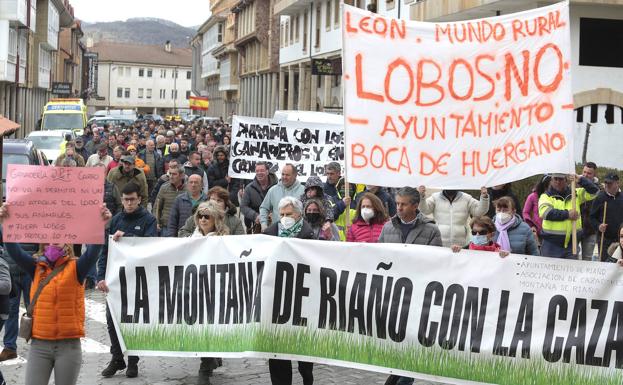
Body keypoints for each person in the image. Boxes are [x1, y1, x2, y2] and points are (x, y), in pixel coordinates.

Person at [0, 203, 111, 385]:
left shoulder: (77, 268)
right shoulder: (35, 267)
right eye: (51, 235)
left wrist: (100, 225)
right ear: (44, 242)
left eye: (60, 235)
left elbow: (93, 251)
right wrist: (6, 223)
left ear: (68, 241)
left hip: (69, 347)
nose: (55, 238)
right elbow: (14, 250)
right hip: (39, 346)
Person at [377, 187, 441, 385]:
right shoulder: (388, 228)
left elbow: (436, 263)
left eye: (403, 204)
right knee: (396, 343)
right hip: (393, 295)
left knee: (411, 343)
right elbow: (378, 256)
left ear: (415, 205)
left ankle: (403, 378)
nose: (399, 208)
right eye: (397, 204)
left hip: (417, 296)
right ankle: (397, 375)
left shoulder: (431, 230)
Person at [97, 183, 157, 378]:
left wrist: (129, 237)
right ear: (121, 200)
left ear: (139, 199)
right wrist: (100, 277)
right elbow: (105, 251)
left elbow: (150, 247)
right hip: (116, 279)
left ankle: (133, 360)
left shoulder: (148, 220)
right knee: (112, 319)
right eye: (125, 199)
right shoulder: (115, 221)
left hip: (138, 279)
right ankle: (117, 357)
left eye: (132, 199)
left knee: (133, 319)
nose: (129, 203)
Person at [263, 196, 314, 385]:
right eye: (282, 214)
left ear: (299, 214)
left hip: (303, 298)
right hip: (276, 300)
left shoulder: (310, 235)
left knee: (304, 354)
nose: (285, 217)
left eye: (289, 214)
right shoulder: (268, 234)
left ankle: (307, 377)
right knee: (277, 351)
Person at [178, 201, 226, 385]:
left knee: (212, 328)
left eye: (207, 216)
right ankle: (209, 361)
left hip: (217, 290)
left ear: (215, 219)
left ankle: (205, 368)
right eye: (200, 216)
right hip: (196, 289)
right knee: (200, 329)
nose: (203, 220)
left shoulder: (224, 240)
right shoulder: (192, 238)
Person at [539, 173, 598, 259]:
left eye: (561, 179)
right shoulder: (545, 196)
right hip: (551, 246)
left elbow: (594, 192)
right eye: (555, 179)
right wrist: (567, 214)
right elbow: (545, 213)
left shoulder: (575, 194)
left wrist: (581, 180)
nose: (558, 182)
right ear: (551, 181)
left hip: (572, 245)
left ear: (566, 181)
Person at [417, 186, 489, 247]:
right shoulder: (435, 197)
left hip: (461, 244)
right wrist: (421, 196)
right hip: (439, 243)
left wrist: (484, 197)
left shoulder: (467, 198)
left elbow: (480, 212)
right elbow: (425, 210)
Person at [178, 186, 245, 237]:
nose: (215, 203)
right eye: (213, 199)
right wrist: (197, 238)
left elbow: (240, 240)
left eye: (219, 201)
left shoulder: (235, 221)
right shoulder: (199, 216)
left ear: (225, 204)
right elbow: (182, 233)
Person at [260, 164, 305, 230]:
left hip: (297, 232)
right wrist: (264, 224)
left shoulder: (303, 191)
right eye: (283, 174)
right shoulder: (273, 190)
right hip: (277, 231)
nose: (284, 177)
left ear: (295, 176)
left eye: (287, 175)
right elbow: (264, 208)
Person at [590, 172, 623, 260]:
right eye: (606, 183)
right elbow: (592, 217)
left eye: (610, 183)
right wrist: (598, 226)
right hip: (605, 240)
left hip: (621, 240)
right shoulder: (600, 198)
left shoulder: (622, 197)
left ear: (617, 183)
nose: (607, 185)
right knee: (606, 265)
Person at [240, 162, 277, 234]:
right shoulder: (249, 188)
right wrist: (255, 216)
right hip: (255, 224)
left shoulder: (277, 187)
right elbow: (243, 207)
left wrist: (274, 213)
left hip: (274, 222)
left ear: (267, 172)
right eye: (257, 171)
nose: (259, 173)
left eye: (262, 170)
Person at [153, 164, 187, 236]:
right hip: (166, 226)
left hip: (183, 227)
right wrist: (156, 222)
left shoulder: (188, 189)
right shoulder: (164, 187)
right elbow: (157, 207)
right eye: (170, 173)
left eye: (174, 174)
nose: (171, 176)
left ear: (181, 175)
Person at [579, 162, 599, 260]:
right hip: (575, 229)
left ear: (594, 175)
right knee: (573, 258)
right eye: (584, 172)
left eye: (589, 173)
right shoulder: (575, 186)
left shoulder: (598, 189)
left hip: (591, 231)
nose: (586, 175)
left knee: (587, 259)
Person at [522, 175, 550, 244]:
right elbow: (525, 212)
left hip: (552, 232)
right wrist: (531, 225)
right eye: (548, 186)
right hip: (537, 232)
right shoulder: (532, 196)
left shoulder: (556, 197)